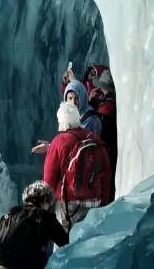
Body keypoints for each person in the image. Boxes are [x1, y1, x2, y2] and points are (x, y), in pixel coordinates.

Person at [43, 103, 111, 234]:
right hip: (93, 201)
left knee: (63, 245)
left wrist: (45, 206)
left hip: (67, 204)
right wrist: (103, 200)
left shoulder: (59, 142)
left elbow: (49, 179)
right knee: (88, 243)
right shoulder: (94, 138)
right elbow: (106, 172)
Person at [0, 181, 69, 268]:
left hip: (4, 266)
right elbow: (65, 243)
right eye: (49, 204)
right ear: (46, 200)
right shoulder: (46, 217)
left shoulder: (12, 212)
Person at [30, 80, 101, 155]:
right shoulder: (67, 112)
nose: (73, 103)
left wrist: (50, 147)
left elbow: (76, 145)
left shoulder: (90, 119)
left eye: (77, 98)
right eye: (70, 98)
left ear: (83, 98)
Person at [87, 69, 117, 201]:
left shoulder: (106, 107)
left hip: (107, 153)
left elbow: (97, 127)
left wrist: (91, 104)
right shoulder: (112, 102)